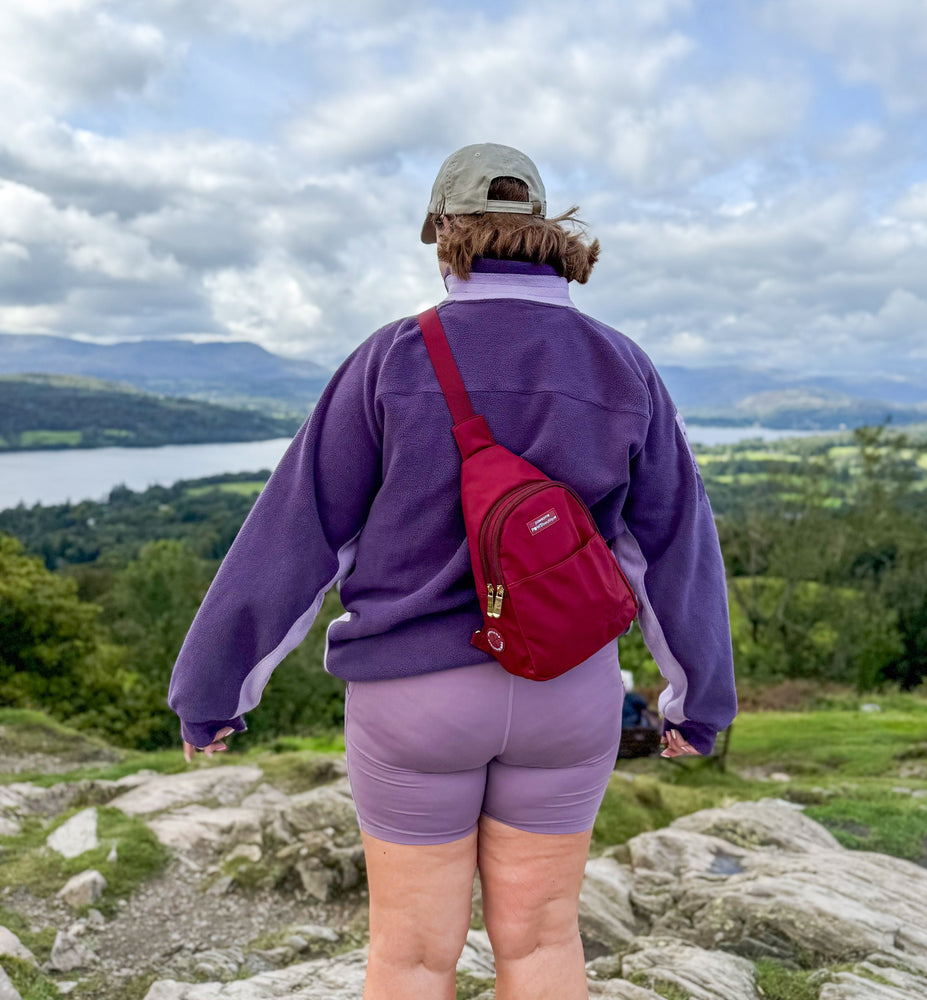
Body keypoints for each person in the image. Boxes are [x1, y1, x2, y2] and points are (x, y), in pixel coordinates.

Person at [168, 142, 737, 1000]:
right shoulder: (623, 367)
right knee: (543, 942)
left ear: (444, 234)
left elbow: (297, 535)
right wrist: (699, 704)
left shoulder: (391, 359)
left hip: (414, 697)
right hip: (567, 689)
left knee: (411, 956)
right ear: (544, 233)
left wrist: (213, 691)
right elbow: (674, 551)